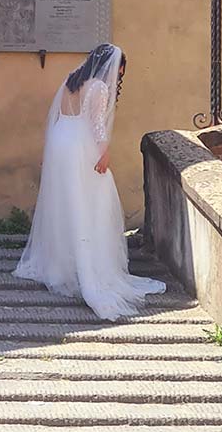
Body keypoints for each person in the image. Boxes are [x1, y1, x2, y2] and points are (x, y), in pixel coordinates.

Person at [15, 42, 166, 319]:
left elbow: (60, 116)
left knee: (67, 202)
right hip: (80, 146)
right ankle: (89, 267)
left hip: (61, 141)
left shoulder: (71, 79)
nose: (119, 75)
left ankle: (61, 265)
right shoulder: (98, 86)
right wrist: (104, 152)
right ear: (112, 66)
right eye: (120, 69)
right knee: (92, 201)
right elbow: (96, 123)